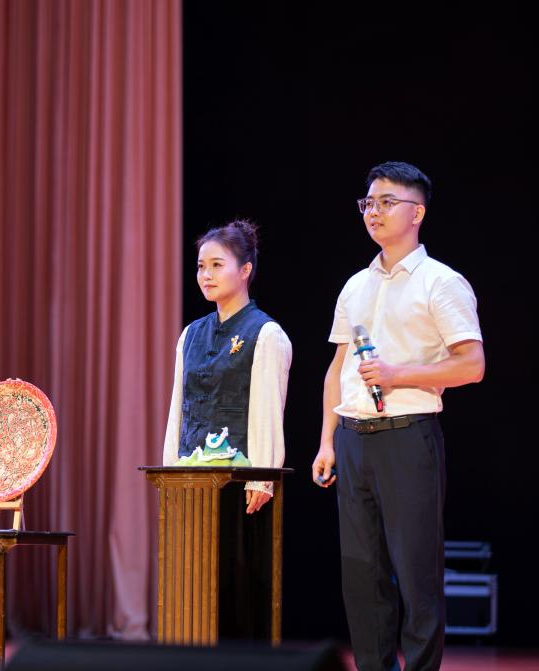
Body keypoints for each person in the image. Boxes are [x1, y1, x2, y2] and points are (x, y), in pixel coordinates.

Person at [312, 162, 485, 671]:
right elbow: (338, 369)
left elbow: (472, 365)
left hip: (408, 438)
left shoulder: (441, 282)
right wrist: (326, 441)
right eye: (368, 203)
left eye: (387, 202)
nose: (374, 212)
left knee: (416, 576)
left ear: (417, 213)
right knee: (362, 577)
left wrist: (397, 374)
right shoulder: (355, 285)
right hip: (352, 439)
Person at [162, 219, 292, 638]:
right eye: (202, 266)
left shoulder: (265, 334)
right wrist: (170, 471)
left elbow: (268, 409)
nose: (206, 275)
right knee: (191, 585)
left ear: (245, 270)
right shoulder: (191, 335)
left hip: (239, 478)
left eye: (217, 265)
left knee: (235, 581)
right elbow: (178, 407)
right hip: (192, 480)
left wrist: (262, 476)